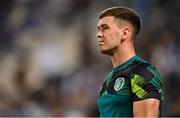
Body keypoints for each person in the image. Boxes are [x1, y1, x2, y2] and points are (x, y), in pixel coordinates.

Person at [96, 6, 163, 117]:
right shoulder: (108, 79)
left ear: (125, 33)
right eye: (98, 29)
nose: (98, 34)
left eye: (105, 28)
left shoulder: (142, 72)